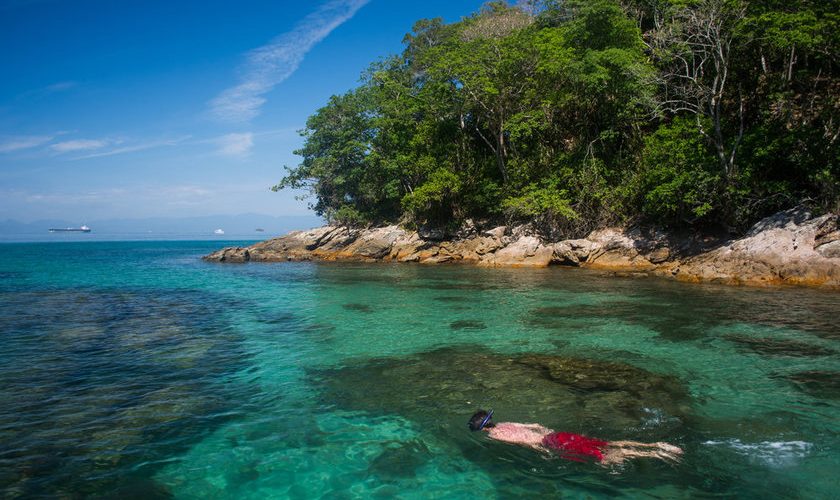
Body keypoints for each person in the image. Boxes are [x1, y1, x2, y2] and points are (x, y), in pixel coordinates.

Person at [468, 409, 683, 465]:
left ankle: (656, 455)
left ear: (483, 429)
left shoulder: (497, 435)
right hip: (556, 434)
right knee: (607, 444)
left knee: (602, 454)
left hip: (549, 443)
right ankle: (655, 445)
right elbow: (535, 425)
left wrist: (544, 452)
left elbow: (526, 443)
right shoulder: (506, 423)